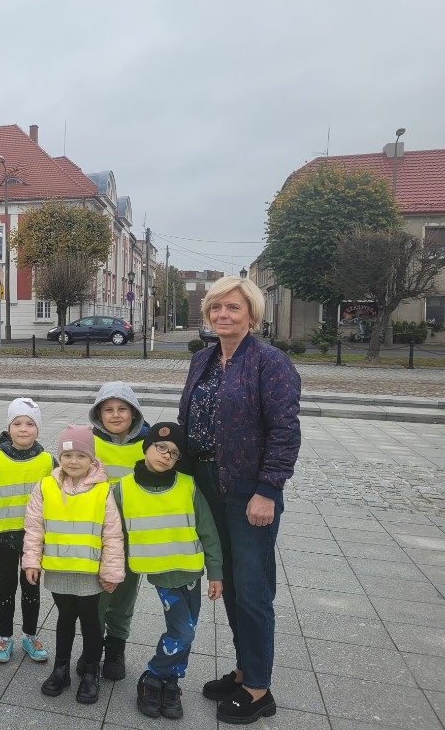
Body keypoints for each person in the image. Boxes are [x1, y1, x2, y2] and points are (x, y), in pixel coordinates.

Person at [178, 275, 300, 725]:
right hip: (207, 485)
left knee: (252, 590)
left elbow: (285, 432)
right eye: (216, 308)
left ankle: (258, 689)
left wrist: (268, 490)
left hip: (249, 492)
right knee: (227, 585)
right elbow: (187, 419)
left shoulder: (271, 362)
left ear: (251, 314)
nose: (223, 316)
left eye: (232, 308)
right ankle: (244, 668)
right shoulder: (204, 360)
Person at [109, 422, 223, 720]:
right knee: (183, 633)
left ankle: (168, 680)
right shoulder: (122, 489)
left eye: (173, 453)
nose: (166, 455)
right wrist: (111, 570)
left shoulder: (188, 485)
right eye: (161, 448)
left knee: (188, 631)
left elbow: (208, 531)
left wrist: (216, 572)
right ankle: (152, 674)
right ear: (146, 447)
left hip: (189, 570)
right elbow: (114, 534)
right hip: (159, 572)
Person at [22, 424, 125, 705]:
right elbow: (34, 527)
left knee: (91, 621)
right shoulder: (45, 486)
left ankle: (90, 672)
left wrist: (111, 571)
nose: (73, 462)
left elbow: (112, 534)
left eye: (80, 456)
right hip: (59, 568)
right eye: (67, 456)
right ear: (60, 458)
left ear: (92, 459)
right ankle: (61, 669)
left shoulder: (103, 491)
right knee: (65, 618)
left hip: (90, 572)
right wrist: (31, 560)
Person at [0, 397, 54, 664]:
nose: (23, 429)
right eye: (17, 423)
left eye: (29, 423)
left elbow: (56, 501)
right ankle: (5, 637)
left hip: (34, 537)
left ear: (38, 428)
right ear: (9, 428)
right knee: (6, 586)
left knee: (31, 587)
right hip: (5, 536)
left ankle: (30, 636)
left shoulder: (47, 462)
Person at [88, 381, 150, 681]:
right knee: (95, 597)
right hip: (95, 536)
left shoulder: (147, 446)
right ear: (99, 414)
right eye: (108, 409)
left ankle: (115, 647)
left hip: (131, 537)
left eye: (122, 409)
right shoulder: (89, 443)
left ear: (133, 412)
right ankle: (92, 648)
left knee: (124, 597)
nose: (115, 415)